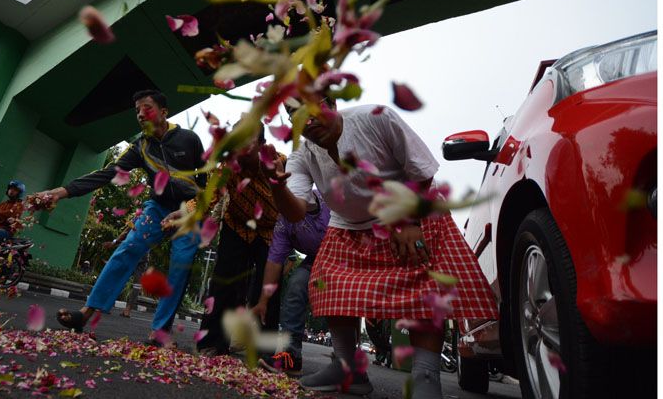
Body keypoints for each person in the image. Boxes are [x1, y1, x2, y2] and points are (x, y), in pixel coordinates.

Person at [267, 100, 498, 398]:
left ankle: (426, 376)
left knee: (421, 286)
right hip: (350, 222)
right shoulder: (301, 153)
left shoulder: (375, 118)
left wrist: (411, 222)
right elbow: (298, 211)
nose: (307, 120)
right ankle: (348, 368)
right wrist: (276, 186)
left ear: (332, 102)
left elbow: (420, 167)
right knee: (327, 281)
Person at [36, 89, 206, 337]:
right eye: (137, 110)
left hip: (188, 211)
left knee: (180, 267)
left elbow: (205, 181)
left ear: (164, 112)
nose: (140, 114)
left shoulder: (189, 139)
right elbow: (106, 174)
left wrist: (192, 210)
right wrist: (61, 192)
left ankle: (160, 332)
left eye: (146, 108)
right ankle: (86, 313)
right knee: (128, 248)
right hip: (157, 208)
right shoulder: (140, 148)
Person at [187, 123, 285, 356]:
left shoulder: (279, 163)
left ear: (262, 145)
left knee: (268, 287)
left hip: (270, 230)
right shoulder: (227, 168)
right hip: (236, 225)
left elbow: (293, 198)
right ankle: (213, 341)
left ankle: (264, 351)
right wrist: (186, 213)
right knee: (224, 282)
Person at [253, 190, 331, 377]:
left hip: (343, 255)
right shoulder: (283, 222)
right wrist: (263, 301)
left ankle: (348, 361)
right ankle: (291, 354)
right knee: (297, 284)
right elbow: (275, 261)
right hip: (316, 260)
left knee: (341, 302)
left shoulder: (328, 202)